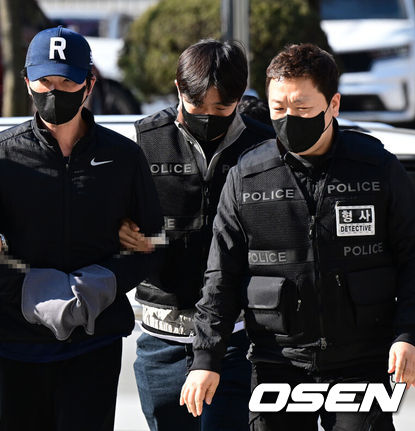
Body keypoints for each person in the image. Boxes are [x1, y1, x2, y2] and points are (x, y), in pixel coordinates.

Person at [181, 43, 415, 430]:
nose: (288, 119)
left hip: (362, 361)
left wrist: (409, 335)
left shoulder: (376, 167)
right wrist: (205, 359)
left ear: (333, 105)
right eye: (278, 108)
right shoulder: (247, 176)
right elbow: (221, 277)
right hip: (277, 362)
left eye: (302, 108)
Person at [0, 26, 163, 431]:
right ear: (27, 82)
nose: (54, 93)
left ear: (89, 84)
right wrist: (29, 288)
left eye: (67, 82)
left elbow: (153, 239)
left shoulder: (123, 156)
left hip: (96, 343)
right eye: (45, 82)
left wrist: (104, 282)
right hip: (18, 346)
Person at [117, 39, 273, 431]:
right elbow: (108, 220)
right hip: (162, 336)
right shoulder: (144, 140)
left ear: (240, 96)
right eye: (197, 105)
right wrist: (123, 235)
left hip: (237, 336)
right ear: (178, 88)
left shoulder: (264, 145)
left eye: (222, 108)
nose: (208, 117)